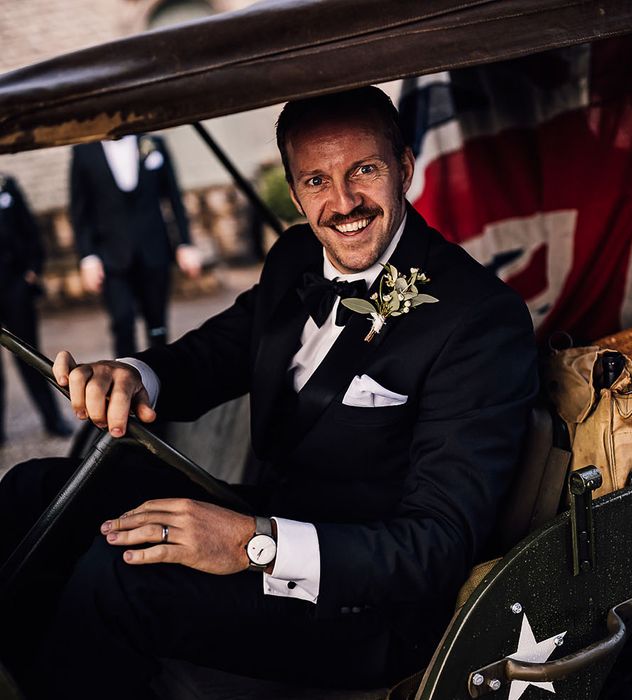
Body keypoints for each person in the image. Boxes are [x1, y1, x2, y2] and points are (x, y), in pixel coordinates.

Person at [0, 87, 538, 699]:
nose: (343, 203)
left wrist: (251, 543)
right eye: (315, 180)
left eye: (364, 170)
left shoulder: (479, 318)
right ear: (294, 188)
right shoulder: (294, 259)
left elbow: (434, 548)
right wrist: (129, 374)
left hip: (365, 608)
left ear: (405, 169)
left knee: (121, 577)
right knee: (39, 491)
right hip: (271, 511)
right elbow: (211, 357)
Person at [69, 133, 202, 357]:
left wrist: (185, 243)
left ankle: (162, 381)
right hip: (111, 255)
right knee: (122, 322)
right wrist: (88, 257)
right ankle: (124, 381)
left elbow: (174, 197)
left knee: (158, 325)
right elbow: (79, 210)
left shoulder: (153, 144)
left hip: (154, 249)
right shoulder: (83, 152)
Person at [0, 173, 72, 444]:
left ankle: (53, 419)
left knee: (28, 354)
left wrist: (32, 270)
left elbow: (29, 229)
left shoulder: (7, 186)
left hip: (15, 284)